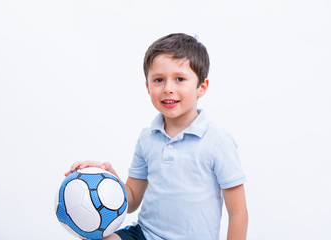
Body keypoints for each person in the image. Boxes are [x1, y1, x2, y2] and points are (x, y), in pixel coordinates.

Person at [65, 33, 248, 240]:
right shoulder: (147, 139)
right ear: (148, 87)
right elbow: (132, 201)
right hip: (145, 234)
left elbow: (238, 212)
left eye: (180, 79)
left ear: (201, 87)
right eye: (159, 80)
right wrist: (107, 176)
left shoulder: (217, 142)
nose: (168, 89)